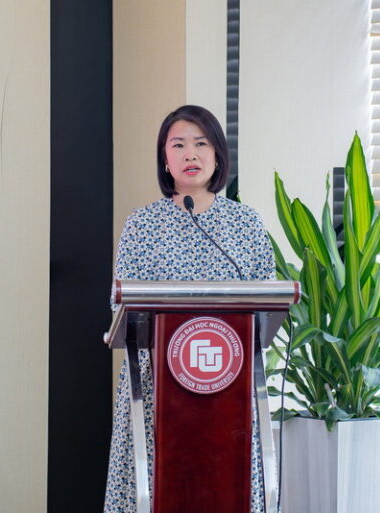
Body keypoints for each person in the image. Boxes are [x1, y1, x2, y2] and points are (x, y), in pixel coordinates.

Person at [104, 105, 276, 513]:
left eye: (201, 143)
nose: (190, 154)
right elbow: (120, 303)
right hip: (157, 386)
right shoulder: (142, 225)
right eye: (178, 145)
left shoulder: (246, 223)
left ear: (217, 155)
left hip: (230, 384)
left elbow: (268, 299)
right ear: (165, 159)